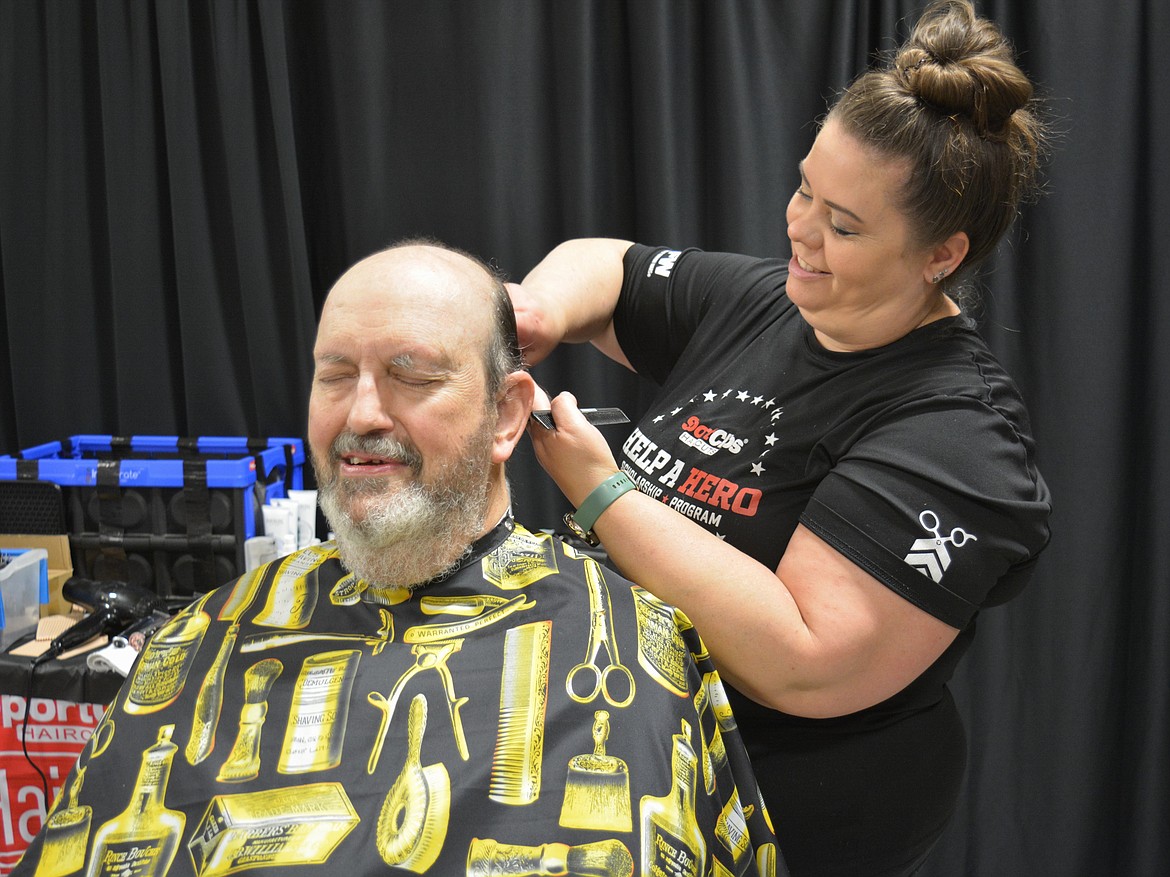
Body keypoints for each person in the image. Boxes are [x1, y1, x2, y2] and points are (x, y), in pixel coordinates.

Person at [13, 242, 784, 877]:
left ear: (507, 414)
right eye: (335, 375)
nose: (362, 414)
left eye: (412, 375)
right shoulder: (206, 637)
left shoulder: (632, 648)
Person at [509, 3, 1052, 875]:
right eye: (805, 188)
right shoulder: (768, 300)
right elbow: (605, 264)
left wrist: (605, 494)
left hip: (788, 810)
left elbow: (807, 661)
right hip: (637, 756)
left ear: (941, 254)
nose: (800, 229)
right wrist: (535, 312)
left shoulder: (955, 435)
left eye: (845, 225)